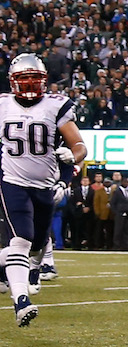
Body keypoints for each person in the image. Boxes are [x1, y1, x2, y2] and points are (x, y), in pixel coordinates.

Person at [0, 53, 87, 326]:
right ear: (13, 81)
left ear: (44, 81)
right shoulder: (2, 105)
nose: (28, 85)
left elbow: (80, 145)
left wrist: (75, 156)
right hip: (12, 182)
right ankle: (21, 301)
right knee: (21, 240)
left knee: (37, 246)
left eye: (33, 79)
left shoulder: (55, 105)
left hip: (44, 186)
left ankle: (21, 270)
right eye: (23, 80)